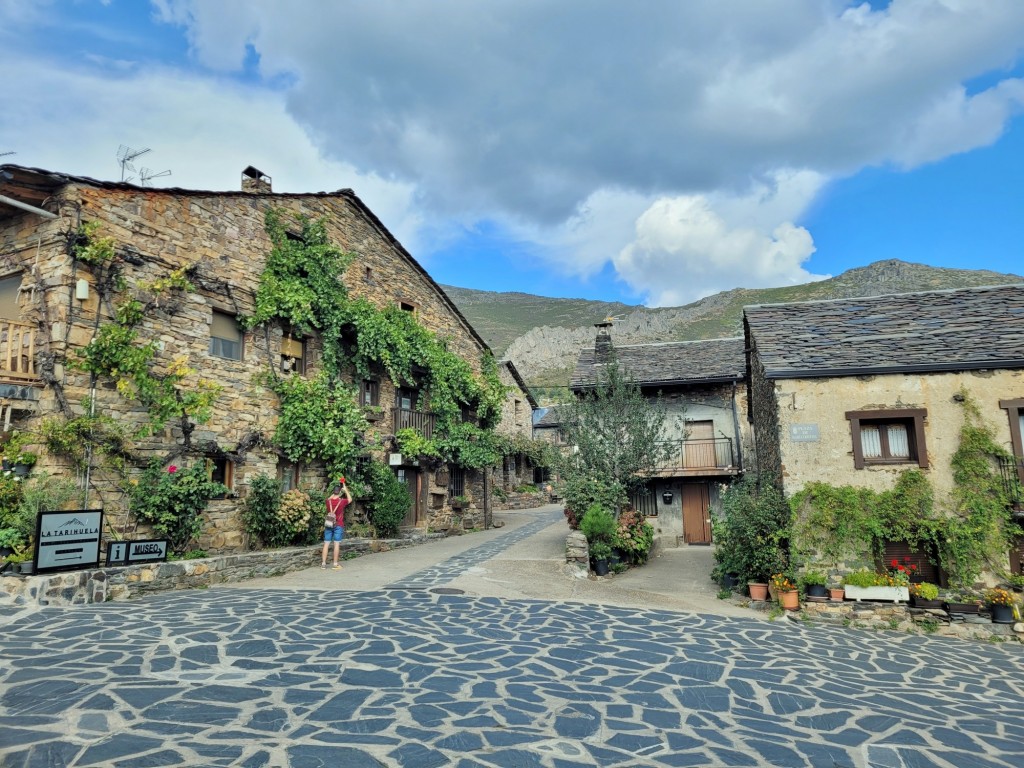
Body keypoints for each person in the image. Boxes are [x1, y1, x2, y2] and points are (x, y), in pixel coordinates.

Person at [321, 480, 352, 570]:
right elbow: (350, 499)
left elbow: (330, 498)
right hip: (338, 524)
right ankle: (335, 564)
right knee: (336, 544)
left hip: (328, 524)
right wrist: (345, 490)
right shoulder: (342, 502)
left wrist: (334, 493)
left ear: (333, 492)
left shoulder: (328, 501)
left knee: (326, 543)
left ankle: (323, 564)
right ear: (339, 493)